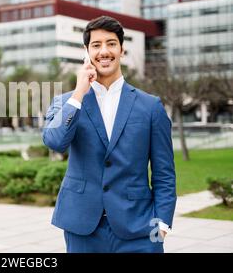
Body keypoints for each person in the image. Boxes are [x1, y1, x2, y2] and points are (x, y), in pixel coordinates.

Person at [43, 16, 176, 253]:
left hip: (139, 228)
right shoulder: (66, 103)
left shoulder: (150, 107)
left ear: (122, 49)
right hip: (83, 228)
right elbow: (55, 142)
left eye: (111, 43)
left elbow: (164, 173)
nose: (104, 51)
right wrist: (79, 93)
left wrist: (162, 225)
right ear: (86, 52)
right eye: (96, 45)